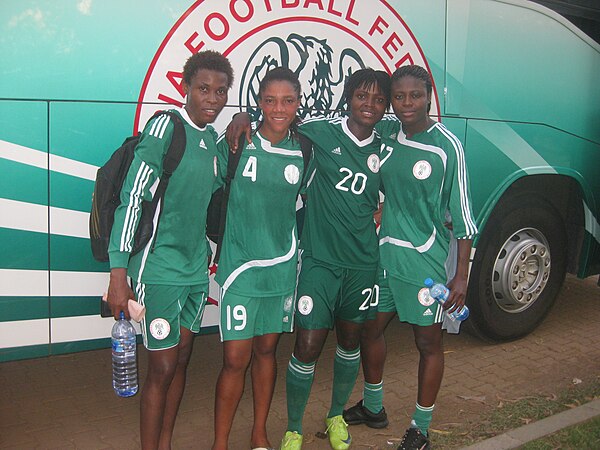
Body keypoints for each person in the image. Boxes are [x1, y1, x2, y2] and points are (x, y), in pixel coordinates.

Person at [227, 67, 391, 450]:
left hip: (363, 263)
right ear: (347, 98)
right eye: (361, 96)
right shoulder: (320, 132)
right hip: (319, 260)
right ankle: (294, 427)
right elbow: (278, 118)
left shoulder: (388, 144)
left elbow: (405, 185)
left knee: (350, 341)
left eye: (378, 99)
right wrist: (243, 116)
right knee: (307, 343)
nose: (369, 105)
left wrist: (385, 206)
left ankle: (335, 415)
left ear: (386, 107)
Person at [342, 65, 478, 450]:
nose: (405, 104)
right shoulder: (387, 133)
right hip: (382, 259)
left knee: (427, 344)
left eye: (414, 96)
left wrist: (461, 277)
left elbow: (465, 219)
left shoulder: (447, 146)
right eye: (398, 97)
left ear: (428, 96)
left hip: (423, 267)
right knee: (370, 330)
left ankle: (420, 427)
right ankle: (373, 407)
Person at [106, 50, 233, 450]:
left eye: (220, 91)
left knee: (180, 361)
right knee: (161, 367)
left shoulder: (213, 141)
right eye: (203, 89)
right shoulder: (165, 127)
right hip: (157, 269)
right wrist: (118, 274)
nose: (212, 99)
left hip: (195, 272)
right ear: (185, 88)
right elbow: (133, 198)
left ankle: (164, 443)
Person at [211, 67, 305, 450]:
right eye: (269, 100)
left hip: (281, 270)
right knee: (235, 359)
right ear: (258, 102)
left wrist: (378, 208)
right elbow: (200, 184)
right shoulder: (237, 142)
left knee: (267, 352)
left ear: (299, 104)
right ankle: (220, 442)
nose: (278, 108)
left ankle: (259, 433)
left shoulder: (305, 150)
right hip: (239, 272)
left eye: (287, 100)